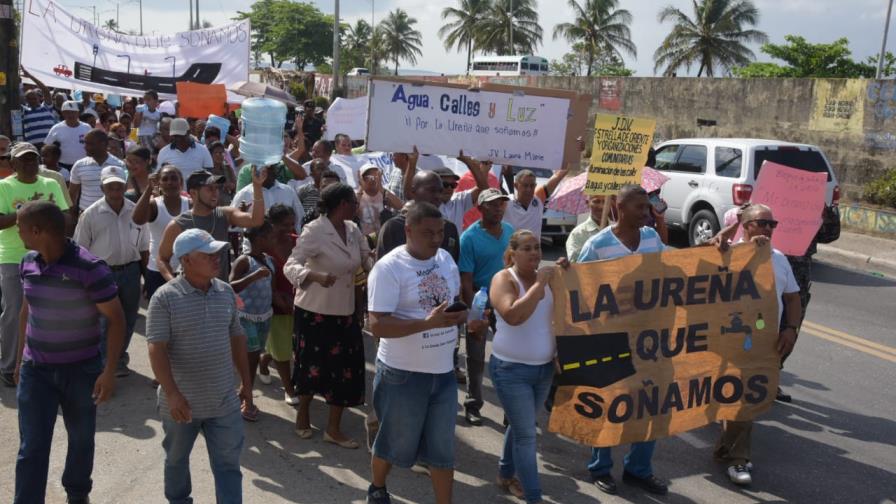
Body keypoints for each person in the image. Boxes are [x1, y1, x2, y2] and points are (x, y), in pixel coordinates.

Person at [366, 201, 480, 504]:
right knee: (393, 444)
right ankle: (377, 487)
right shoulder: (389, 268)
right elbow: (377, 324)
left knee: (443, 451)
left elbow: (453, 301)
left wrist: (462, 314)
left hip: (442, 374)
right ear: (408, 230)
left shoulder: (444, 259)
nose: (436, 239)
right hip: (402, 375)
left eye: (440, 232)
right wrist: (425, 324)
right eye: (427, 233)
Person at [14, 201, 125, 504]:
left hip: (82, 371)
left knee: (80, 439)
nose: (19, 231)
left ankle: (77, 494)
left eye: (21, 228)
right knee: (32, 446)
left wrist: (109, 371)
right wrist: (19, 354)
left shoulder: (90, 268)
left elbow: (116, 319)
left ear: (37, 231)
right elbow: (27, 309)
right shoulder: (27, 262)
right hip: (36, 370)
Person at [146, 228, 251, 504]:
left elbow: (237, 337)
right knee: (176, 461)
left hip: (223, 401)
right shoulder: (165, 298)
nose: (217, 259)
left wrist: (247, 386)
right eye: (208, 255)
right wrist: (171, 393)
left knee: (229, 465)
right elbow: (156, 348)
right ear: (187, 261)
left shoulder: (225, 292)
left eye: (217, 253)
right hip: (181, 405)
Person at [577, 184, 668, 496]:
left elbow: (673, 271)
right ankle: (600, 467)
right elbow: (580, 291)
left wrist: (717, 247)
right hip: (610, 340)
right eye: (639, 208)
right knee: (610, 405)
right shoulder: (597, 245)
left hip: (648, 342)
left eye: (647, 208)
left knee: (649, 404)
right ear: (620, 207)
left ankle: (638, 469)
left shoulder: (653, 239)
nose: (646, 213)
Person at [712, 203, 801, 486]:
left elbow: (792, 298)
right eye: (761, 223)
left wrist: (790, 328)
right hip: (727, 341)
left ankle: (734, 454)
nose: (767, 229)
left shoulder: (779, 259)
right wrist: (729, 237)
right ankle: (734, 454)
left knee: (745, 399)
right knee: (734, 397)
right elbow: (700, 259)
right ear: (745, 225)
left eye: (771, 224)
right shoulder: (726, 253)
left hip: (763, 342)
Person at [285, 183, 373, 447]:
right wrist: (312, 275)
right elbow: (291, 265)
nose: (357, 207)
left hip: (345, 312)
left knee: (346, 371)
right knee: (311, 368)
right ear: (343, 204)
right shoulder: (315, 231)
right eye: (353, 203)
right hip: (315, 313)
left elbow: (367, 260)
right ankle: (303, 415)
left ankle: (333, 429)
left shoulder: (354, 230)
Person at [489, 229, 557, 503]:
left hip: (544, 369)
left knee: (521, 425)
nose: (534, 253)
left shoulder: (549, 278)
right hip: (511, 370)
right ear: (512, 253)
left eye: (537, 247)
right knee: (527, 435)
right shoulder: (504, 279)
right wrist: (539, 286)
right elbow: (513, 315)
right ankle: (534, 497)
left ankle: (505, 473)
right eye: (527, 248)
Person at [0, 143, 71, 387]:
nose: (29, 164)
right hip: (13, 256)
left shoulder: (51, 184)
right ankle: (9, 365)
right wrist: (28, 214)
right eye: (23, 160)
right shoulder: (4, 186)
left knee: (52, 310)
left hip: (49, 256)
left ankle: (48, 361)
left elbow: (67, 217)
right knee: (14, 312)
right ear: (13, 163)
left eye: (33, 159)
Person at [74, 166, 150, 377]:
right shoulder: (90, 214)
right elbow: (80, 249)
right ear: (102, 187)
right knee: (103, 320)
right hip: (102, 273)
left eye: (118, 185)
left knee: (128, 317)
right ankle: (103, 361)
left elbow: (144, 246)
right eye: (110, 186)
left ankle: (118, 358)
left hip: (131, 271)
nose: (115, 190)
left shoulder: (136, 210)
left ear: (124, 185)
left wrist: (146, 275)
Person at [459, 188, 513, 426]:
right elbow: (466, 281)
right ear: (480, 208)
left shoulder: (511, 233)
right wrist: (474, 316)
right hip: (480, 301)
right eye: (492, 204)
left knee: (510, 355)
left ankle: (511, 410)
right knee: (476, 357)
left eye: (501, 204)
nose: (498, 208)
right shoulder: (469, 238)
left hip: (507, 302)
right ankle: (473, 404)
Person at [157, 168, 266, 282]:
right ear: (193, 193)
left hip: (221, 292)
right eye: (210, 189)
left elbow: (256, 220)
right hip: (192, 294)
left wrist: (257, 186)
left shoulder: (225, 214)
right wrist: (174, 284)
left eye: (216, 188)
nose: (215, 193)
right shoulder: (178, 224)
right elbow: (162, 259)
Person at [229, 220, 276, 422]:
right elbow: (230, 286)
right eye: (270, 236)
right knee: (248, 357)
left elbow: (269, 288)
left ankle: (243, 391)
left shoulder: (269, 260)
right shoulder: (244, 261)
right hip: (244, 316)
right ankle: (247, 398)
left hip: (264, 315)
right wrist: (253, 276)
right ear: (259, 239)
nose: (274, 240)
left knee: (254, 357)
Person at [257, 204, 301, 404]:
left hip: (300, 301)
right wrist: (279, 299)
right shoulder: (263, 247)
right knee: (283, 349)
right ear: (271, 224)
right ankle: (289, 389)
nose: (290, 228)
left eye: (292, 224)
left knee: (288, 345)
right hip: (275, 304)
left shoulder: (299, 242)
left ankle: (264, 360)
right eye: (284, 225)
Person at [133, 164, 189, 299]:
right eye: (165, 179)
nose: (170, 182)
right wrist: (148, 189)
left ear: (181, 182)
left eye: (174, 178)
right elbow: (137, 219)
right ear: (159, 183)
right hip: (157, 270)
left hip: (187, 270)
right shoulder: (154, 205)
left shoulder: (190, 204)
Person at [231, 165, 304, 234]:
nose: (265, 173)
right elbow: (232, 228)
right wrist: (241, 216)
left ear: (274, 170)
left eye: (269, 169)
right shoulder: (244, 194)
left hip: (285, 244)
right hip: (255, 245)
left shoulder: (288, 191)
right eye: (261, 170)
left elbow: (300, 219)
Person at [69, 129, 126, 213]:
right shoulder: (79, 165)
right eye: (85, 143)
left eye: (89, 144)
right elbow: (72, 193)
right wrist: (71, 213)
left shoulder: (119, 165)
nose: (85, 147)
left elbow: (124, 191)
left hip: (112, 215)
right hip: (85, 214)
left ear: (103, 144)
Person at [502, 168, 568, 241]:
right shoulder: (506, 202)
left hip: (534, 251)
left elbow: (558, 176)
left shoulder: (538, 199)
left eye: (532, 185)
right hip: (513, 251)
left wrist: (570, 162)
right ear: (516, 186)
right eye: (525, 185)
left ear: (535, 185)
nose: (529, 189)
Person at [156, 118, 213, 184]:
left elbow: (209, 174)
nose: (177, 139)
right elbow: (159, 175)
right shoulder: (163, 152)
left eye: (180, 136)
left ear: (188, 132)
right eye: (175, 136)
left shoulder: (203, 150)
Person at [43, 100, 91, 171]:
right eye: (67, 112)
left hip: (83, 165)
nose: (70, 115)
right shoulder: (56, 128)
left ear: (78, 113)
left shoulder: (87, 127)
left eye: (73, 112)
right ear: (63, 113)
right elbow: (47, 146)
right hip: (63, 166)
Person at [357, 164, 402, 237]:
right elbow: (351, 212)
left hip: (385, 237)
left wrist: (380, 187)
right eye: (369, 177)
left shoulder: (384, 193)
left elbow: (400, 206)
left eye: (376, 176)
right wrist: (361, 188)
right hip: (365, 239)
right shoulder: (357, 195)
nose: (373, 179)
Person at [20, 68, 56, 149]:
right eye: (29, 98)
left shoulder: (47, 107)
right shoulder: (24, 111)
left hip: (49, 147)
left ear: (39, 98)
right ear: (26, 100)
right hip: (32, 148)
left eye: (34, 98)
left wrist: (30, 77)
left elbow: (46, 90)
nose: (32, 100)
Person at [566, 195, 607, 262]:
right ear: (588, 203)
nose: (601, 206)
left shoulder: (617, 229)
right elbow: (575, 262)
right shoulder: (578, 233)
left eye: (605, 202)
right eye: (596, 201)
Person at [38, 143, 75, 208]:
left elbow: (67, 190)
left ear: (56, 157)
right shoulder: (38, 170)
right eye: (42, 156)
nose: (43, 158)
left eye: (46, 156)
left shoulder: (64, 172)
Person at [208, 141, 237, 206]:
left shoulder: (228, 168)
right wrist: (222, 184)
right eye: (216, 153)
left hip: (227, 204)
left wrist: (231, 186)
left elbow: (235, 184)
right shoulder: (207, 170)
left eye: (221, 153)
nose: (219, 155)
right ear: (210, 154)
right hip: (211, 205)